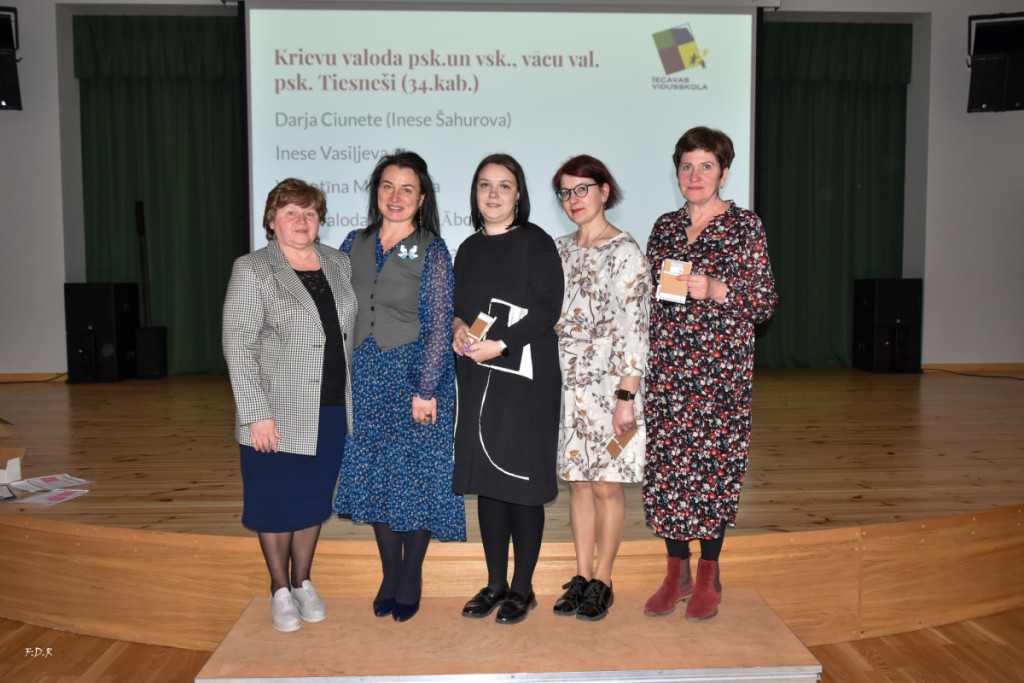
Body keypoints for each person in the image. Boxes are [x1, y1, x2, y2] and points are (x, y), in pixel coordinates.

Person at [643, 126, 778, 621]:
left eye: (705, 166)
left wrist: (718, 290)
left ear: (724, 172)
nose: (694, 175)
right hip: (668, 374)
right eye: (686, 166)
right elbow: (653, 299)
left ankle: (708, 574)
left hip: (719, 377)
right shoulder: (665, 227)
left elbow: (764, 302)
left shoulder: (745, 226)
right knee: (668, 472)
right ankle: (675, 572)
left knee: (712, 472)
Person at [333, 150, 465, 623]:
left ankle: (411, 577)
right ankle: (390, 574)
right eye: (387, 186)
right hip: (366, 377)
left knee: (417, 477)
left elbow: (437, 323)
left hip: (415, 375)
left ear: (421, 198)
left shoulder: (432, 249)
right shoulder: (353, 242)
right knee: (378, 477)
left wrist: (425, 388)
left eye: (407, 189)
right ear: (376, 192)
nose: (396, 196)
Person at [223, 178, 357, 633]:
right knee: (274, 500)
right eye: (291, 212)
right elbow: (238, 345)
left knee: (313, 499)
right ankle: (279, 587)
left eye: (310, 213)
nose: (302, 221)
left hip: (332, 406)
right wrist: (255, 413)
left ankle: (303, 581)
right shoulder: (253, 269)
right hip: (274, 413)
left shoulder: (338, 262)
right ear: (272, 220)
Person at [452, 153, 563, 625]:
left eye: (503, 185)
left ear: (519, 194)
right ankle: (495, 583)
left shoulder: (537, 243)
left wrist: (500, 345)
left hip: (525, 379)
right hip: (478, 375)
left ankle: (522, 588)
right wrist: (458, 328)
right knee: (489, 484)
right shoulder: (467, 248)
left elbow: (548, 310)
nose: (493, 194)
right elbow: (459, 307)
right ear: (475, 193)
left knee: (522, 484)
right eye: (485, 185)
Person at [550, 155, 652, 622]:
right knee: (577, 482)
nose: (574, 199)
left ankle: (603, 580)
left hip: (613, 389)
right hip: (567, 386)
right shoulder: (558, 249)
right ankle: (580, 575)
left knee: (607, 484)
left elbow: (636, 330)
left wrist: (626, 398)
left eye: (582, 189)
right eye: (566, 192)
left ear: (604, 191)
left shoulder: (625, 251)